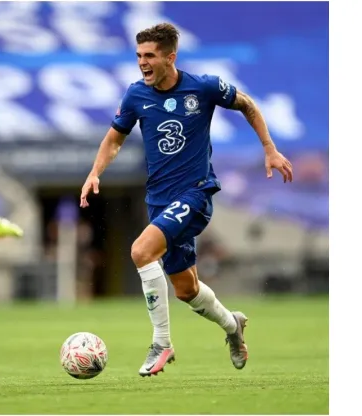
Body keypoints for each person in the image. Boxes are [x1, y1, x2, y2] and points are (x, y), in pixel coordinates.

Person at [79, 23, 293, 377]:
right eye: (138, 56)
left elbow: (247, 104)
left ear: (170, 57)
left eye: (149, 56)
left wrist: (269, 148)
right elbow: (114, 139)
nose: (142, 63)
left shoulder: (204, 87)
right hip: (159, 201)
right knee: (186, 289)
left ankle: (161, 343)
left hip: (196, 193)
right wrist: (95, 172)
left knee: (140, 251)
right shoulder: (136, 95)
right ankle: (232, 326)